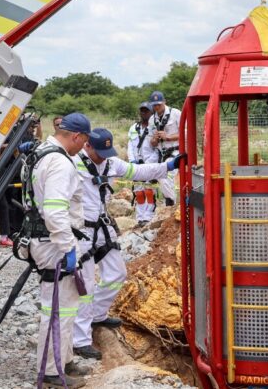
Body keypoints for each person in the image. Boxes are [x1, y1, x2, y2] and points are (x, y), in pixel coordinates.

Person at [72, 128, 185, 360]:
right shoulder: (72, 163)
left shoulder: (111, 163)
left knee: (117, 273)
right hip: (81, 230)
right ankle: (80, 340)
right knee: (85, 286)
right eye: (99, 153)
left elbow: (139, 171)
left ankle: (97, 314)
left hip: (101, 227)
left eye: (106, 153)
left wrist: (169, 166)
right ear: (87, 146)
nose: (103, 158)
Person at [24, 113, 96, 388]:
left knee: (64, 306)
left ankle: (63, 359)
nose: (83, 147)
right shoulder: (60, 163)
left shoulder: (42, 153)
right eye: (84, 141)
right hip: (55, 244)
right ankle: (52, 371)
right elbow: (55, 212)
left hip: (44, 240)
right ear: (76, 136)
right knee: (59, 308)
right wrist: (68, 248)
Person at [148, 91, 181, 206]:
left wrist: (168, 137)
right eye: (154, 105)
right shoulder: (152, 119)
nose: (156, 107)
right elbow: (152, 143)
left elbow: (187, 133)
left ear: (164, 102)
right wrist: (155, 139)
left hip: (175, 152)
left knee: (165, 177)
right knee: (156, 176)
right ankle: (170, 203)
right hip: (160, 154)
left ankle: (171, 203)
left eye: (159, 104)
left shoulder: (176, 113)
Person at [127, 102, 158, 226]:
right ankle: (140, 218)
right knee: (139, 192)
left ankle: (148, 217)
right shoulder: (133, 128)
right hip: (136, 165)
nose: (144, 113)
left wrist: (148, 163)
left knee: (149, 191)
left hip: (149, 164)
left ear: (152, 113)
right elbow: (130, 146)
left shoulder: (155, 128)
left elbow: (158, 149)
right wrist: (132, 160)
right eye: (142, 111)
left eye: (147, 111)